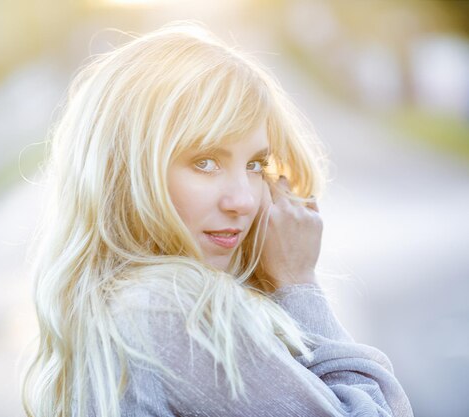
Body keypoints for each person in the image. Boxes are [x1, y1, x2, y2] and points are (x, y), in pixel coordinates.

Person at [21, 22, 414, 417]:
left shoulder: (105, 307)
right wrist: (299, 285)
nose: (243, 200)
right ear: (128, 169)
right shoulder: (172, 312)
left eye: (256, 164)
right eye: (205, 162)